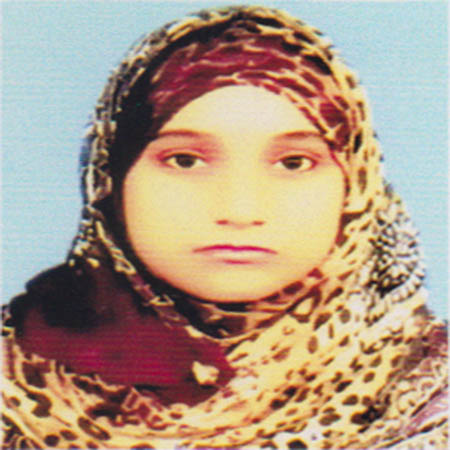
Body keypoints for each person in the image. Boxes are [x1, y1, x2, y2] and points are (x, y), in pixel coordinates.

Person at [2, 5, 447, 449]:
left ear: (357, 185)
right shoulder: (13, 383)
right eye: (185, 160)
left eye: (294, 163)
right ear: (110, 179)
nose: (240, 209)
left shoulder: (426, 394)